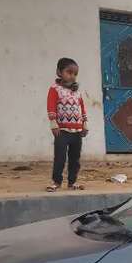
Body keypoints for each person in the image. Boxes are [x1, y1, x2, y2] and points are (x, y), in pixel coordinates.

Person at [46, 57, 88, 191]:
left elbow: (82, 107)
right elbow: (51, 106)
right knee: (60, 157)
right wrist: (53, 123)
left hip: (77, 131)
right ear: (59, 72)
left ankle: (72, 182)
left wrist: (84, 124)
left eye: (75, 74)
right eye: (69, 72)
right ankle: (56, 182)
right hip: (62, 130)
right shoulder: (55, 89)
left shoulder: (77, 91)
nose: (72, 76)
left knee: (75, 159)